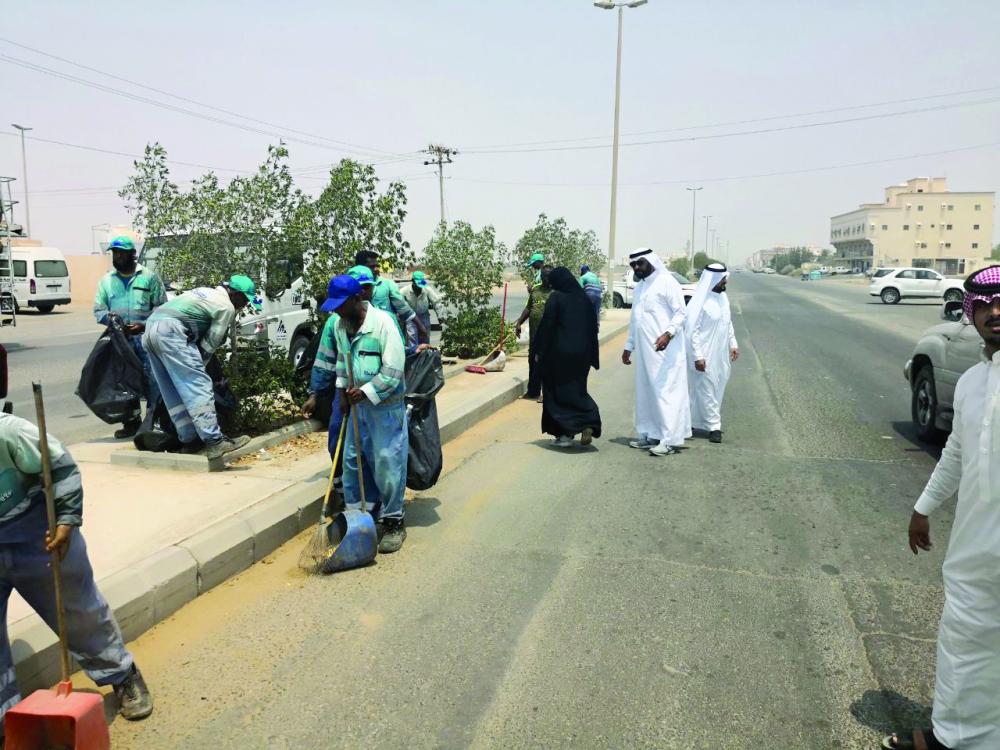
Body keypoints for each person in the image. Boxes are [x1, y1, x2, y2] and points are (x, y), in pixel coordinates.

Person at [886, 265, 1000, 750]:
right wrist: (923, 507)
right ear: (971, 312)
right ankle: (955, 736)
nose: (995, 312)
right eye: (985, 304)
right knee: (965, 644)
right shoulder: (973, 381)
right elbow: (955, 451)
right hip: (978, 544)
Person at [0, 395, 152, 727]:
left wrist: (66, 519)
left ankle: (122, 675)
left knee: (79, 614)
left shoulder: (10, 433)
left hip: (38, 538)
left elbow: (61, 467)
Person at [326, 275, 409, 554]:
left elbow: (394, 369)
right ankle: (361, 520)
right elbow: (342, 362)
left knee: (386, 462)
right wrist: (342, 395)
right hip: (356, 406)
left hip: (385, 407)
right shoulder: (340, 325)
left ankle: (394, 521)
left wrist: (367, 391)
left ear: (356, 299)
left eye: (340, 305)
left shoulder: (383, 324)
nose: (337, 311)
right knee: (353, 463)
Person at [142, 275, 259, 460]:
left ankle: (189, 440)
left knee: (172, 390)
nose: (244, 305)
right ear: (234, 294)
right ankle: (214, 442)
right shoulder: (226, 306)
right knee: (198, 385)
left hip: (150, 329)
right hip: (171, 332)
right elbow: (210, 344)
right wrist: (199, 367)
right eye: (244, 299)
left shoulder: (206, 292)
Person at [93, 236, 167, 438]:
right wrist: (113, 322)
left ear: (132, 254)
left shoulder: (149, 277)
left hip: (145, 339)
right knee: (125, 382)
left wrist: (145, 324)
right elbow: (99, 310)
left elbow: (161, 308)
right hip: (120, 341)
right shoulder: (106, 281)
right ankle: (131, 423)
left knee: (152, 380)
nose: (117, 256)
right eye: (114, 253)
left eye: (121, 253)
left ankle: (153, 422)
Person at [621, 248, 691, 456]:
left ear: (651, 262)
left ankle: (669, 440)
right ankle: (650, 434)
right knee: (646, 392)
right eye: (633, 264)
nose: (636, 267)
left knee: (665, 392)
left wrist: (668, 334)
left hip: (666, 351)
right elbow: (636, 319)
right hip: (645, 352)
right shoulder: (640, 287)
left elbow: (681, 312)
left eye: (640, 263)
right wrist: (629, 346)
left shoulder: (667, 282)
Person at [534, 267, 602, 448]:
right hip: (582, 356)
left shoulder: (556, 298)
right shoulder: (585, 299)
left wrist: (539, 351)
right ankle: (588, 421)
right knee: (577, 390)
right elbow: (593, 329)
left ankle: (564, 435)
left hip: (559, 356)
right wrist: (593, 357)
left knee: (556, 393)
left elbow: (547, 326)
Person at [685, 262, 739, 444]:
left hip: (720, 355)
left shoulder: (723, 298)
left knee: (714, 388)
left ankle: (691, 422)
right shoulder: (700, 302)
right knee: (706, 389)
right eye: (723, 280)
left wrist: (733, 343)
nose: (725, 282)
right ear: (714, 280)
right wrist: (698, 356)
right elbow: (692, 331)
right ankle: (714, 426)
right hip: (704, 355)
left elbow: (727, 322)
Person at [354, 251, 427, 343]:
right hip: (362, 335)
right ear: (360, 267)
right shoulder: (351, 286)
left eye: (377, 266)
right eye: (372, 266)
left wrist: (420, 326)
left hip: (388, 336)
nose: (376, 269)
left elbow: (403, 308)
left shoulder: (387, 284)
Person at [514, 265, 553, 401]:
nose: (547, 279)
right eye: (544, 276)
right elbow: (529, 308)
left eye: (549, 277)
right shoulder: (535, 290)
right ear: (541, 277)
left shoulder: (557, 293)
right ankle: (533, 391)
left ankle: (547, 394)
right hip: (534, 335)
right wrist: (519, 323)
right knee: (533, 361)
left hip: (549, 336)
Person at [401, 271, 441, 344]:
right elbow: (399, 304)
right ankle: (414, 350)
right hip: (411, 317)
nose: (419, 287)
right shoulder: (404, 291)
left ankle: (425, 351)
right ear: (412, 281)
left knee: (425, 338)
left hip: (424, 316)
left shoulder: (427, 289)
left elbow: (436, 303)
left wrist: (440, 317)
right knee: (412, 337)